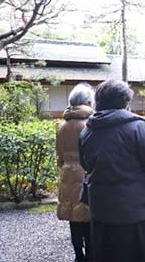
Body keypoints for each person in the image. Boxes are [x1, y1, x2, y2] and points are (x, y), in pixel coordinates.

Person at [78, 79, 145, 262]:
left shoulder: (87, 131)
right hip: (133, 212)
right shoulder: (137, 127)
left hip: (101, 211)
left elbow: (85, 164)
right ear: (124, 101)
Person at [56, 83, 94, 262]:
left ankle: (79, 255)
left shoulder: (62, 126)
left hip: (67, 175)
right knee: (88, 216)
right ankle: (92, 254)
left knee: (74, 217)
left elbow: (59, 156)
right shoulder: (90, 124)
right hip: (86, 174)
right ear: (87, 102)